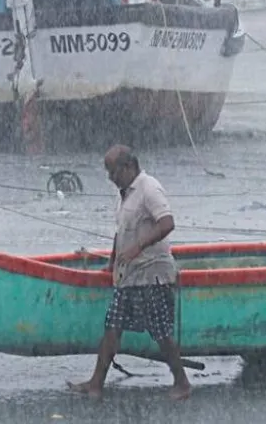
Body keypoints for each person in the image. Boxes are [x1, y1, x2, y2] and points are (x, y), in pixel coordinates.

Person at [69, 145, 191, 401]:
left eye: (113, 171)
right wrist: (112, 263)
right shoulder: (124, 194)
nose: (110, 178)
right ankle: (96, 383)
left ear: (128, 167)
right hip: (128, 275)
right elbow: (121, 232)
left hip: (152, 274)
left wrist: (138, 246)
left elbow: (167, 223)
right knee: (112, 328)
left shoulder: (149, 189)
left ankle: (182, 382)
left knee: (161, 332)